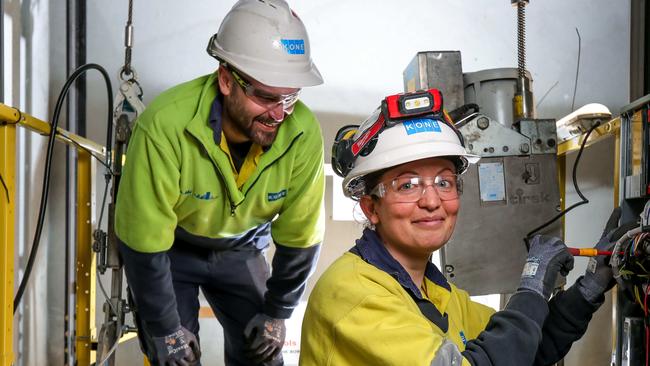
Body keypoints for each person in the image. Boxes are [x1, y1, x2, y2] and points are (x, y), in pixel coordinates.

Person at [300, 89, 626, 365]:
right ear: (371, 207)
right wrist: (532, 284)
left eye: (444, 182)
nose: (432, 201)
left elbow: (525, 348)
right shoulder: (354, 293)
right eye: (408, 185)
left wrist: (587, 290)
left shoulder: (441, 295)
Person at [114, 1, 325, 365]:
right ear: (226, 80)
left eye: (290, 97)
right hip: (169, 252)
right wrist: (165, 328)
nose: (279, 113)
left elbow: (301, 237)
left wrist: (278, 312)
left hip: (240, 249)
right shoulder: (165, 125)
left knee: (264, 355)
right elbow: (144, 242)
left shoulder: (302, 133)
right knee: (176, 357)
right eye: (265, 95)